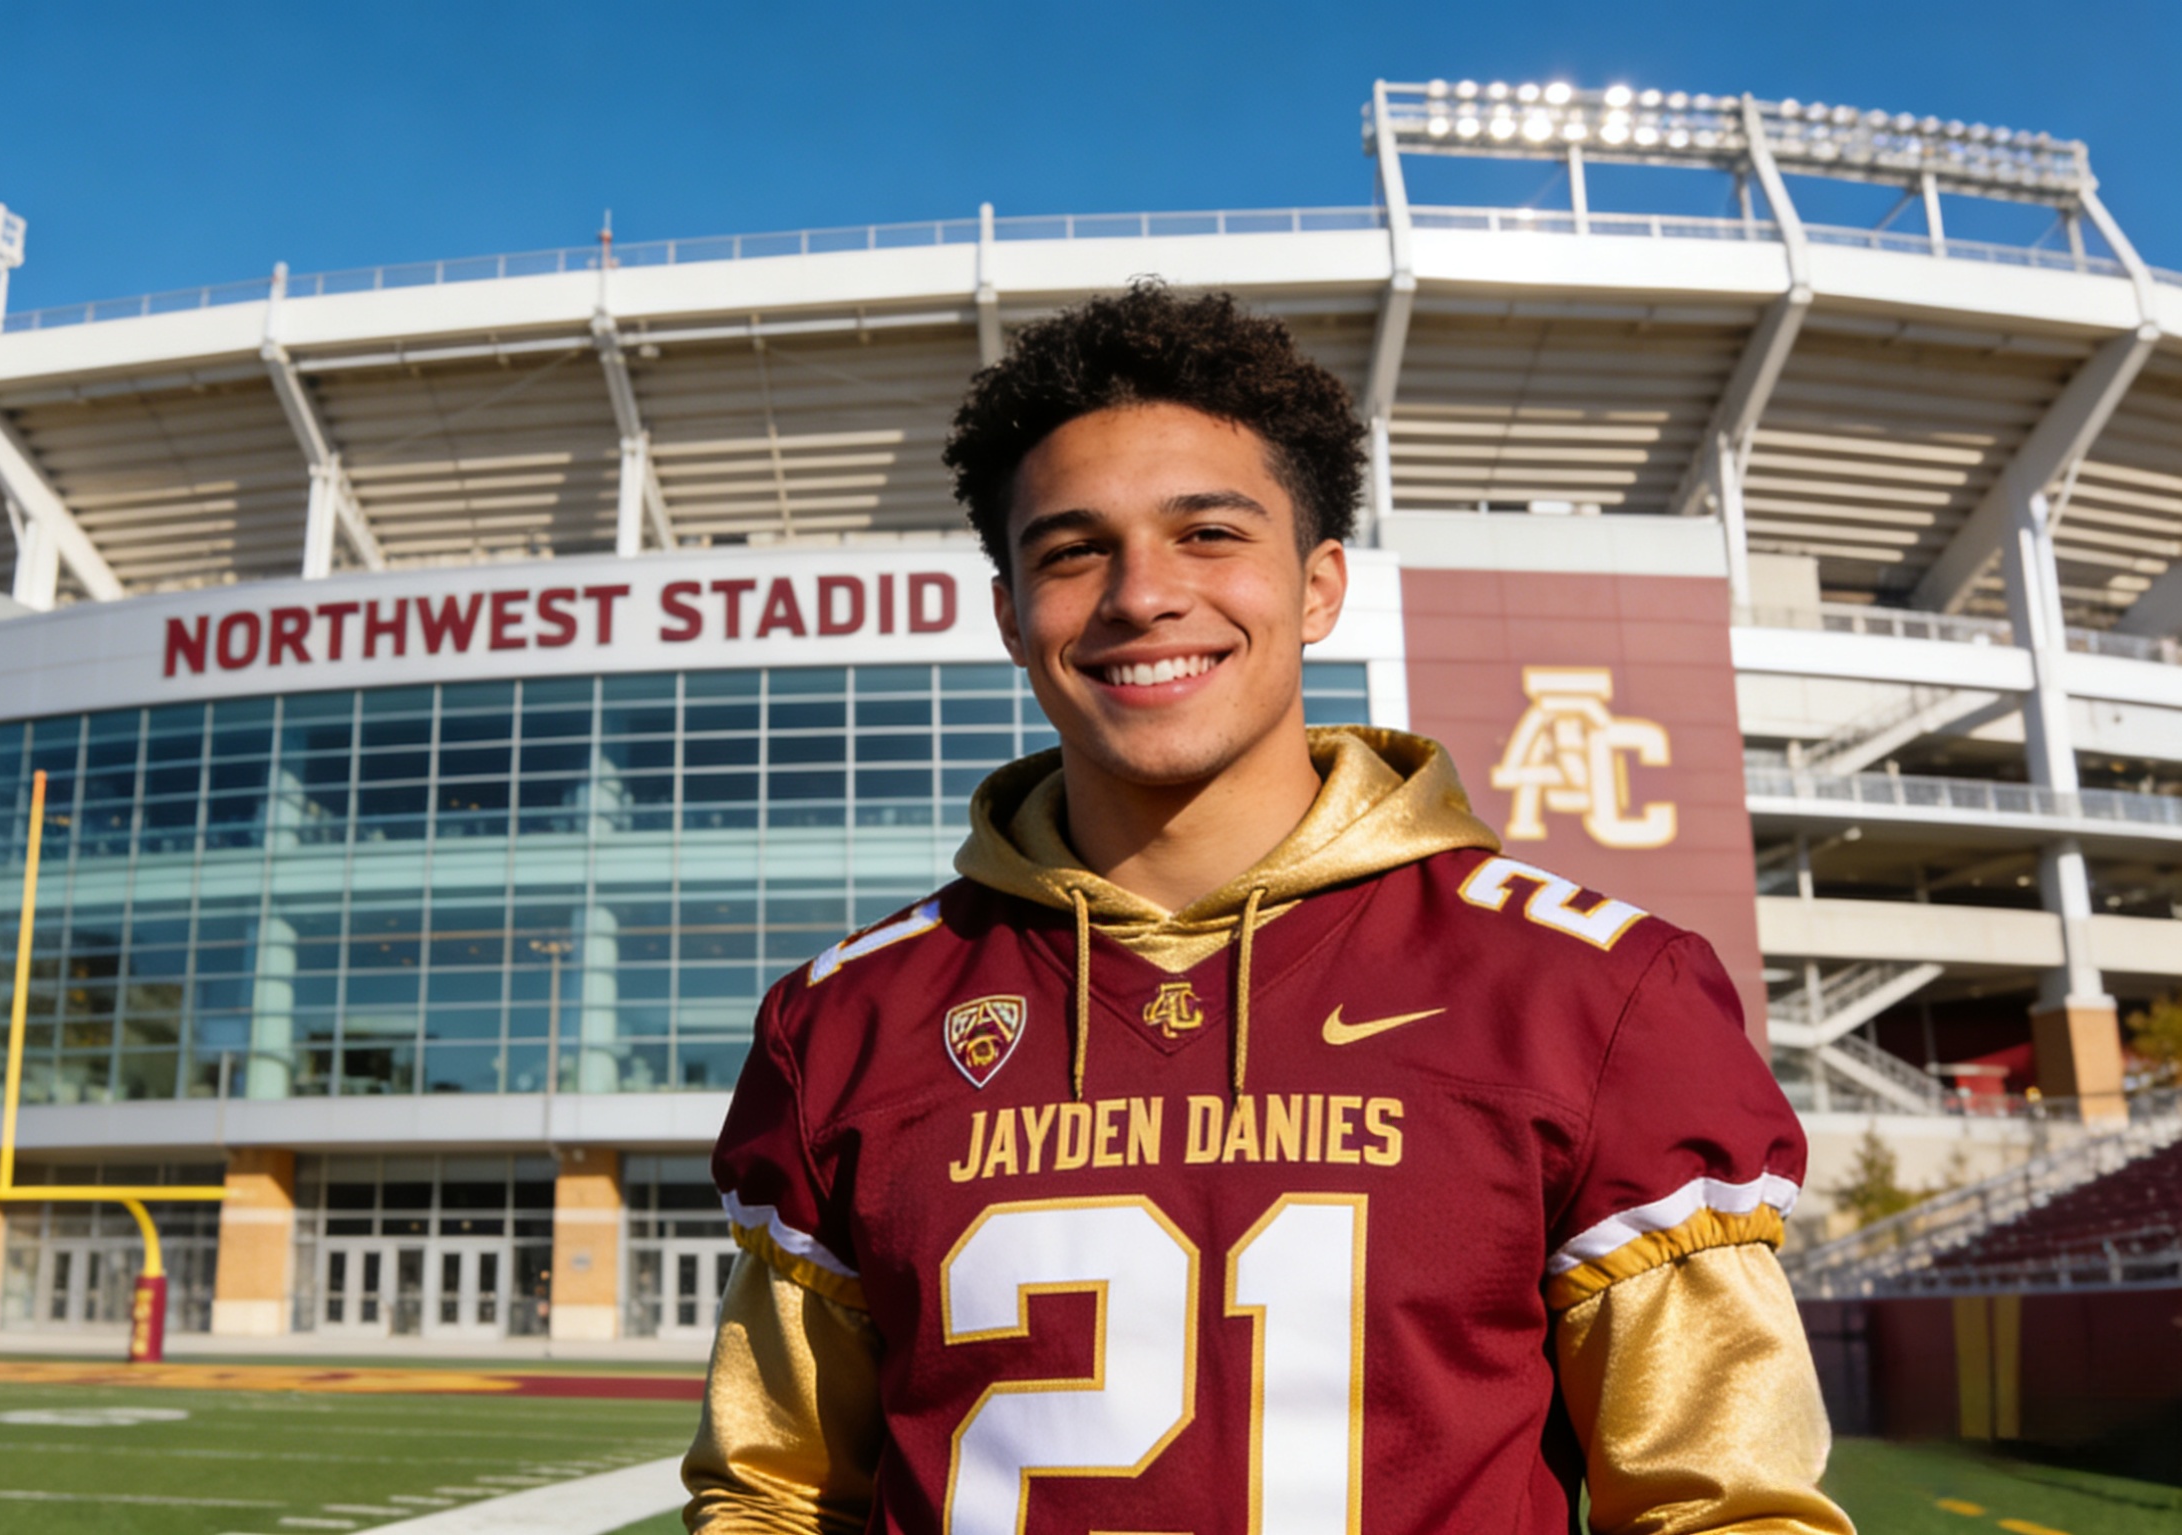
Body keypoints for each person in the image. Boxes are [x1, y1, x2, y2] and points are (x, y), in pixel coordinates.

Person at [682, 284, 1849, 1535]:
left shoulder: (1590, 992)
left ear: (1319, 585)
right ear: (1012, 614)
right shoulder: (851, 1016)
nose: (1141, 595)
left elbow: (1722, 1510)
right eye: (1073, 550)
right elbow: (777, 1492)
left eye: (1207, 534)